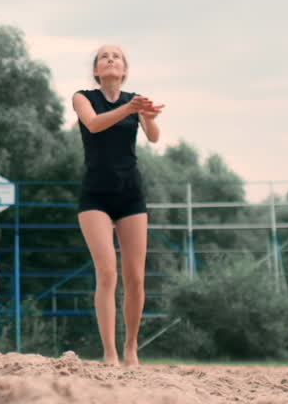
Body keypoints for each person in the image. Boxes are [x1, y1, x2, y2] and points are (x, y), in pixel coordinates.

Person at [72, 44, 163, 366]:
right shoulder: (83, 97)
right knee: (107, 272)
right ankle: (109, 352)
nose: (110, 59)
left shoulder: (135, 101)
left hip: (130, 194)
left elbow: (153, 137)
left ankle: (131, 348)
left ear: (124, 70)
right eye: (103, 58)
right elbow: (95, 124)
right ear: (97, 71)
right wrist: (130, 110)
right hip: (95, 195)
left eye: (116, 57)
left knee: (135, 277)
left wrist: (148, 117)